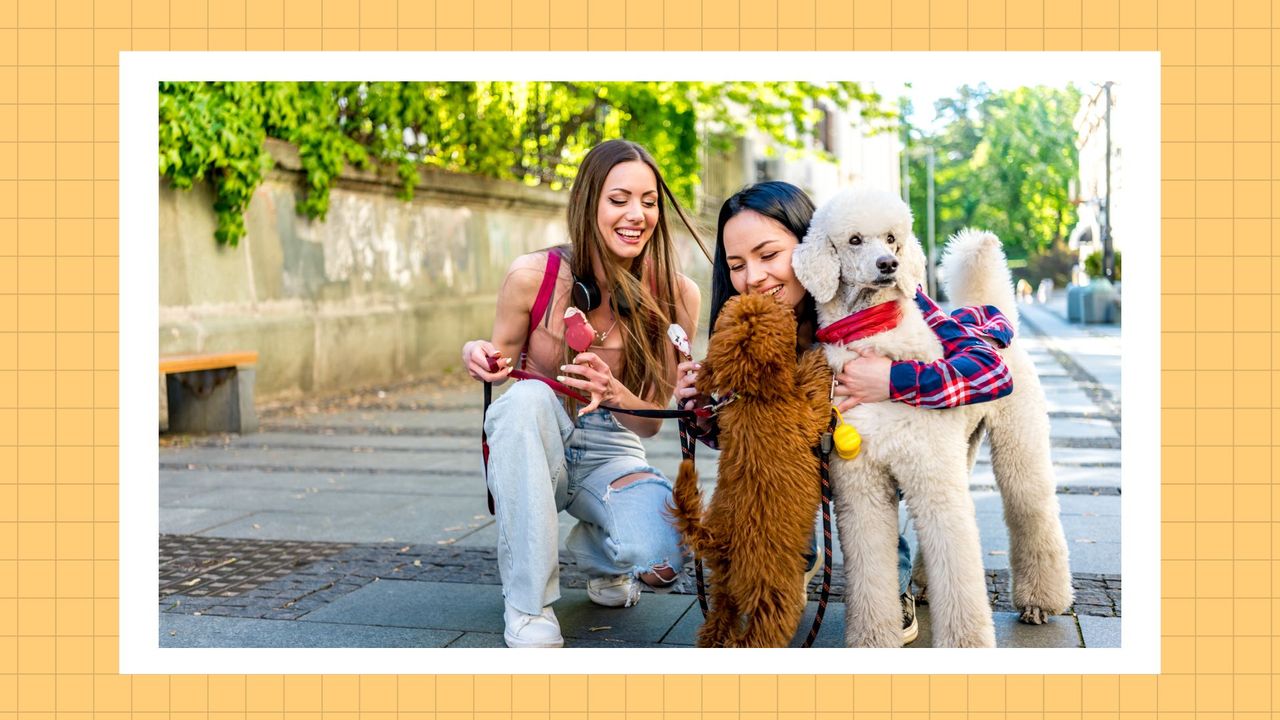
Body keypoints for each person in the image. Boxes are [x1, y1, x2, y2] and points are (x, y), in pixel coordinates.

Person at [675, 181, 1014, 646]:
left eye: (768, 255)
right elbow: (750, 436)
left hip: (903, 440)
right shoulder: (753, 327)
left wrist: (893, 380)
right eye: (737, 265)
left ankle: (901, 587)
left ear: (808, 244)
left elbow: (992, 372)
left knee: (914, 499)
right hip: (819, 474)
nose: (753, 276)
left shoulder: (895, 305)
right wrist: (699, 409)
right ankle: (806, 561)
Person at [462, 139, 706, 648]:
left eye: (648, 201)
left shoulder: (677, 294)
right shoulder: (533, 276)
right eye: (619, 200)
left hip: (612, 447)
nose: (636, 214)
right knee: (524, 402)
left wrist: (612, 390)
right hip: (538, 441)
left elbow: (650, 424)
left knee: (664, 559)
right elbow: (500, 366)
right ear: (589, 201)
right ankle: (529, 606)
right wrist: (480, 355)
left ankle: (600, 551)